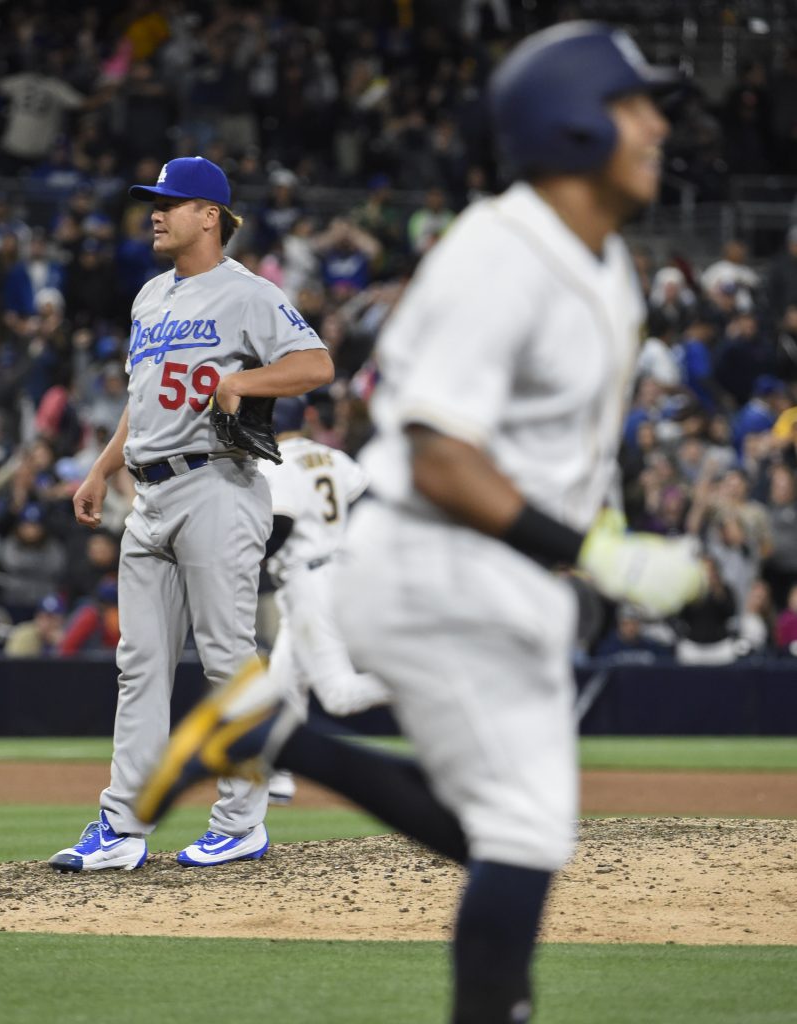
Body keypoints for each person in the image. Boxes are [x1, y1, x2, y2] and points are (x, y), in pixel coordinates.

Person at [137, 24, 709, 1024]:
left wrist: (598, 531)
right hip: (436, 561)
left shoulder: (605, 268)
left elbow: (554, 450)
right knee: (523, 835)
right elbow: (442, 453)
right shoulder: (505, 250)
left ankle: (275, 734)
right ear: (572, 126)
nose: (657, 124)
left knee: (516, 835)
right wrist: (600, 554)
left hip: (498, 568)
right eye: (633, 105)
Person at [48, 155, 333, 873]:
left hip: (217, 486)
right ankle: (123, 826)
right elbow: (141, 399)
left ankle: (242, 822)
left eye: (170, 202)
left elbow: (317, 366)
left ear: (210, 215)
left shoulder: (249, 295)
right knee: (138, 665)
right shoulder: (149, 298)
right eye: (154, 201)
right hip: (148, 489)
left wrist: (244, 379)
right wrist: (102, 468)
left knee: (227, 660)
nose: (155, 211)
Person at [257, 397, 390, 804]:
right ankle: (277, 775)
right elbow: (369, 498)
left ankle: (419, 679)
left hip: (310, 579)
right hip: (340, 570)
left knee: (338, 695)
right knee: (283, 679)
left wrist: (246, 563)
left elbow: (281, 523)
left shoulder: (274, 461)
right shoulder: (331, 456)